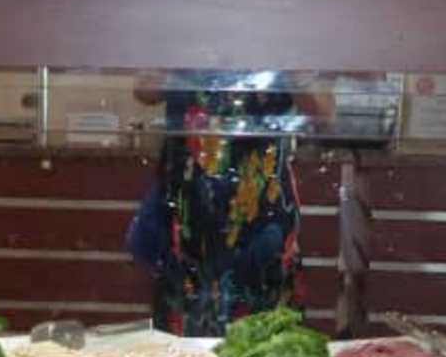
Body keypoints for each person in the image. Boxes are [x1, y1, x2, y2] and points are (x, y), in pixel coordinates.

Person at [128, 70, 333, 334]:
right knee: (183, 332)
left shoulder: (286, 47)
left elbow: (323, 114)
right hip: (190, 209)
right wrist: (180, 60)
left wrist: (290, 66)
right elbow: (143, 91)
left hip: (260, 210)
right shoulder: (183, 45)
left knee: (265, 335)